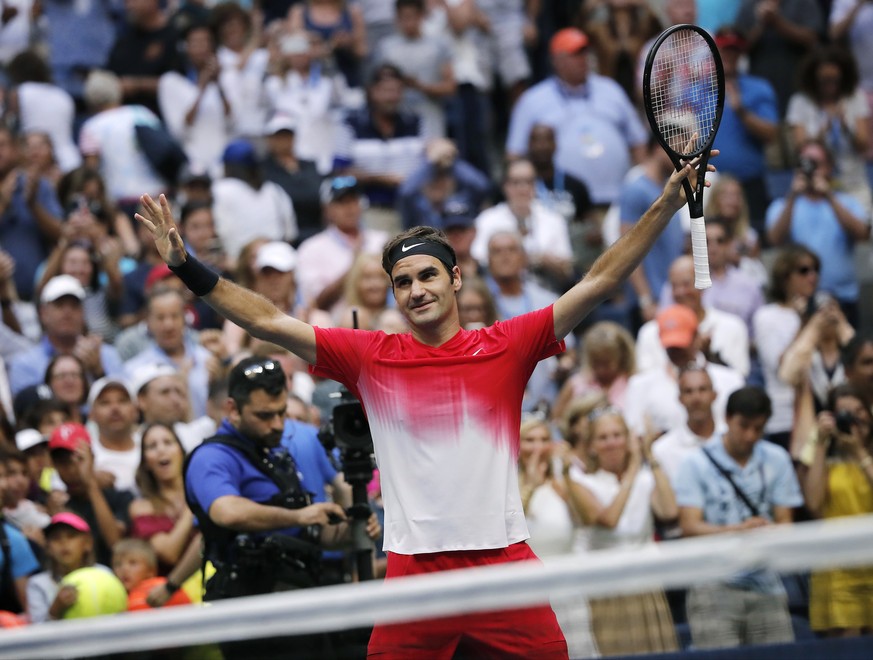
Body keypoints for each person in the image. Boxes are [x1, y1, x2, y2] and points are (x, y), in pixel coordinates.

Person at [136, 146, 715, 658]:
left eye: (427, 276)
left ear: (456, 279)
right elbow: (267, 319)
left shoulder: (507, 345)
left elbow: (597, 282)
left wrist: (665, 203)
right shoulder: (370, 356)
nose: (416, 290)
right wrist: (187, 266)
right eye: (403, 282)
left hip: (502, 563)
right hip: (415, 570)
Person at [183, 357, 377, 659]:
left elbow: (308, 532)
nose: (277, 425)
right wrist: (299, 514)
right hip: (252, 609)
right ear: (232, 409)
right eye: (264, 415)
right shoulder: (213, 457)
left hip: (301, 597)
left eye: (281, 413)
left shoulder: (274, 454)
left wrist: (351, 532)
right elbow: (226, 512)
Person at [675, 386, 802, 649]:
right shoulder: (695, 463)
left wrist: (769, 531)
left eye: (758, 428)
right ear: (728, 418)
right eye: (743, 426)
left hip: (766, 585)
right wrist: (739, 529)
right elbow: (689, 526)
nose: (749, 435)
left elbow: (786, 522)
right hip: (712, 585)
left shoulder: (777, 459)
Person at [566, 407, 679, 655]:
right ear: (592, 445)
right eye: (603, 437)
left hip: (645, 584)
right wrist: (633, 468)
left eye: (617, 435)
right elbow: (608, 520)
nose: (612, 443)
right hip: (606, 587)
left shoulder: (645, 477)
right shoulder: (581, 482)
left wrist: (651, 457)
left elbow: (670, 512)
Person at [507, 28, 648, 208]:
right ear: (557, 60)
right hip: (560, 203)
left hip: (619, 199)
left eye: (585, 52)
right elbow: (515, 154)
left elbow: (638, 143)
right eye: (575, 54)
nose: (583, 59)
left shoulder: (611, 89)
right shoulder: (532, 100)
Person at [801, 384, 873, 637]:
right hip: (837, 569)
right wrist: (821, 442)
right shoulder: (826, 461)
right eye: (844, 413)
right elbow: (813, 504)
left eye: (859, 411)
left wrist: (860, 453)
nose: (853, 418)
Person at [786, 45, 871, 212]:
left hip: (853, 184)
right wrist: (822, 132)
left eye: (835, 80)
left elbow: (864, 145)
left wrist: (846, 126)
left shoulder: (855, 98)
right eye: (825, 80)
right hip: (815, 188)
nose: (830, 86)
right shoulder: (800, 102)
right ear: (814, 79)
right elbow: (799, 147)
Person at [7, 275, 124, 395]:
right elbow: (29, 411)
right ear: (43, 313)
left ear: (83, 313)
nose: (67, 312)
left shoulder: (106, 356)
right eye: (59, 305)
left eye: (74, 306)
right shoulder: (25, 364)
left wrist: (99, 373)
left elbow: (122, 406)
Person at [711, 26, 778, 229]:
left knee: (753, 242)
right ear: (715, 52)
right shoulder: (699, 89)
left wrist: (742, 112)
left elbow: (771, 134)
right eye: (724, 50)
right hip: (709, 185)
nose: (729, 56)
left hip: (750, 184)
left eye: (735, 50)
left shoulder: (759, 88)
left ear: (741, 54)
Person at [638, 255, 750, 377]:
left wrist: (707, 356)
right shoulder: (650, 332)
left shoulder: (732, 327)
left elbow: (738, 378)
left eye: (686, 284)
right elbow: (646, 381)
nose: (680, 292)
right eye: (674, 286)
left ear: (702, 283)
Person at [373, 0, 456, 139]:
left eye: (412, 16)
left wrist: (420, 86)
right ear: (397, 18)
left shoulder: (438, 45)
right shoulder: (386, 48)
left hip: (430, 118)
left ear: (421, 16)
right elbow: (376, 87)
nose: (408, 22)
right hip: (395, 121)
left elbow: (450, 87)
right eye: (404, 17)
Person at [128, 424, 197, 574]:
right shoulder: (141, 507)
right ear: (146, 462)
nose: (161, 449)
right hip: (170, 592)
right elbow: (169, 554)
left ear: (181, 451)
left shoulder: (203, 489)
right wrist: (193, 505)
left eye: (168, 442)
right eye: (152, 446)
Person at [652, 366, 724, 487]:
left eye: (702, 390)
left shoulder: (733, 440)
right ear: (680, 399)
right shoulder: (663, 450)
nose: (696, 398)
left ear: (714, 395)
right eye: (688, 391)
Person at [26, 512, 95, 623]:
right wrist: (55, 610)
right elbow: (37, 633)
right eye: (56, 538)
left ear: (88, 543)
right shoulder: (37, 585)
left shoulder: (104, 574)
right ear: (47, 547)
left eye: (71, 536)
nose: (64, 542)